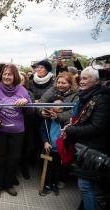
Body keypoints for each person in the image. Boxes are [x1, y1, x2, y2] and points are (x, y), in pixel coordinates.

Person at [62, 67, 110, 210]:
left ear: (95, 80)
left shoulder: (103, 99)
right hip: (87, 146)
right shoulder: (88, 96)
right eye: (80, 78)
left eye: (85, 78)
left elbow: (97, 127)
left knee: (86, 186)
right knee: (87, 185)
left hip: (95, 149)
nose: (81, 81)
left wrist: (71, 130)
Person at [0, 64, 32, 198]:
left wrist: (26, 102)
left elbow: (30, 112)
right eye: (5, 74)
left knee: (13, 158)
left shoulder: (22, 90)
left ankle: (8, 184)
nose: (7, 77)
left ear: (15, 77)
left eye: (10, 74)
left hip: (18, 131)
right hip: (0, 129)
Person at [39, 95, 65, 196]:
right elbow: (42, 132)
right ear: (51, 107)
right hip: (48, 150)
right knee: (47, 168)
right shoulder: (46, 120)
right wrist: (45, 141)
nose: (60, 106)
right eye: (57, 105)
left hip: (59, 150)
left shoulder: (64, 120)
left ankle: (54, 184)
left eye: (62, 105)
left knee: (57, 169)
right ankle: (46, 185)